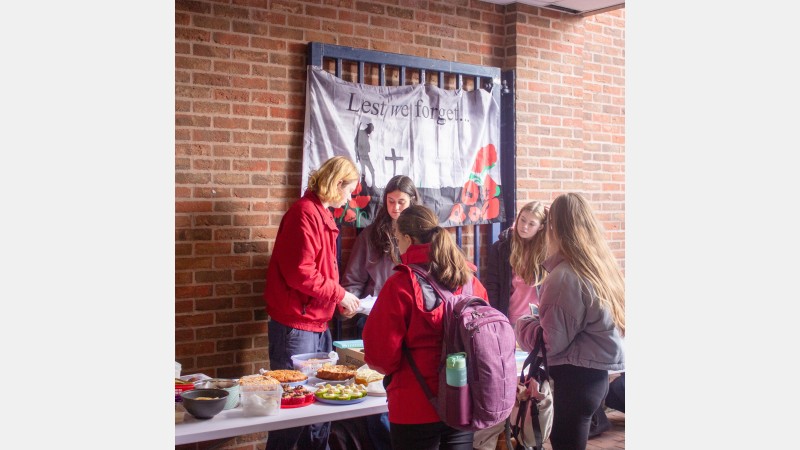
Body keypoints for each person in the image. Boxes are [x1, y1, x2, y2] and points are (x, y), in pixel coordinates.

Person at [362, 205, 488, 450]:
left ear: (408, 239)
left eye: (397, 239)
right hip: (463, 400)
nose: (397, 245)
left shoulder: (401, 284)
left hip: (414, 405)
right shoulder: (470, 281)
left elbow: (380, 356)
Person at [263, 155, 362, 450]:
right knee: (292, 412)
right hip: (297, 327)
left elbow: (318, 274)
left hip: (314, 323)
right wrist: (340, 294)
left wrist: (337, 300)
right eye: (349, 190)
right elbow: (301, 273)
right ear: (337, 184)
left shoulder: (320, 215)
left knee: (318, 410)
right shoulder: (304, 214)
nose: (349, 198)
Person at [515, 192, 625, 450]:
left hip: (575, 380)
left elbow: (552, 341)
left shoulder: (565, 276)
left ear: (554, 227)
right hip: (592, 379)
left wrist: (524, 324)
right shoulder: (598, 266)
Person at [338, 175, 420, 450]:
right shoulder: (372, 234)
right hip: (375, 322)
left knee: (409, 392)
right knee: (377, 394)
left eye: (402, 202)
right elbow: (352, 281)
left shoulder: (424, 235)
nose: (396, 208)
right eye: (391, 202)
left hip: (416, 325)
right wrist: (352, 305)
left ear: (413, 202)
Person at [483, 201, 548, 325]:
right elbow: (492, 286)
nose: (524, 226)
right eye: (522, 220)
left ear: (540, 227)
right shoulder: (501, 247)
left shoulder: (547, 250)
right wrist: (497, 317)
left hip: (538, 321)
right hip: (509, 318)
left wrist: (553, 222)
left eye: (531, 224)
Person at [355, 123, 376, 187]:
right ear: (368, 128)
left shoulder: (366, 134)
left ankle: (373, 185)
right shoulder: (361, 133)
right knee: (363, 170)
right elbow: (356, 144)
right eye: (371, 130)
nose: (371, 131)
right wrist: (357, 155)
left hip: (365, 155)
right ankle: (363, 184)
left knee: (371, 170)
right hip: (362, 155)